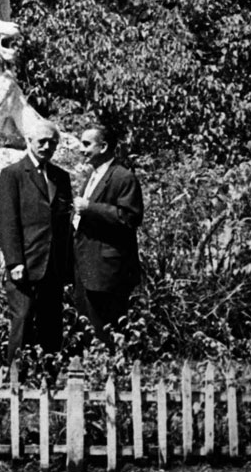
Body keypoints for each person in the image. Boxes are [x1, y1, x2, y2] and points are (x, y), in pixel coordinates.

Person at [0, 121, 73, 367]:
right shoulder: (13, 174)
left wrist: (67, 265)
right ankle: (17, 380)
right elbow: (7, 221)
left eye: (52, 142)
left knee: (51, 323)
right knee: (23, 320)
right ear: (29, 141)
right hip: (25, 264)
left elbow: (63, 224)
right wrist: (14, 261)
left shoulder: (61, 177)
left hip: (53, 265)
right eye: (42, 141)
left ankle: (47, 380)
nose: (47, 146)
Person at [72, 121, 143, 344]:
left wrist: (89, 208)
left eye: (86, 144)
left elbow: (129, 218)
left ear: (103, 147)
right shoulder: (92, 176)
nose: (82, 150)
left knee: (106, 329)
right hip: (87, 264)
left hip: (108, 269)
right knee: (88, 325)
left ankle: (109, 371)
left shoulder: (123, 177)